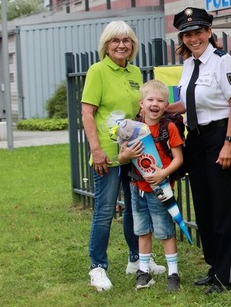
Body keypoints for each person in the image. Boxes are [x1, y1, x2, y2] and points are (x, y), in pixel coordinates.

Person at [81, 21, 164, 292]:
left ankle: (136, 259)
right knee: (105, 211)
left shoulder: (135, 72)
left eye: (126, 40)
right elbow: (87, 113)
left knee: (134, 209)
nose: (121, 45)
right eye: (115, 40)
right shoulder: (98, 71)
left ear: (133, 45)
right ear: (106, 44)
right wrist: (96, 150)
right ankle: (98, 267)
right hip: (109, 156)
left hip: (135, 154)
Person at [167, 7, 231, 294]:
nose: (193, 38)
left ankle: (225, 275)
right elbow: (187, 104)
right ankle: (213, 267)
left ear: (209, 32)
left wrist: (229, 143)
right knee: (204, 206)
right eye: (187, 34)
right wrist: (163, 109)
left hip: (220, 135)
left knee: (223, 207)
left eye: (198, 32)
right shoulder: (189, 65)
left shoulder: (223, 61)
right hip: (195, 138)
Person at [117, 80, 184, 292]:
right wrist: (126, 155)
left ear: (166, 106)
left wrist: (163, 173)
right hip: (138, 190)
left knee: (165, 232)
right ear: (141, 103)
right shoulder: (131, 129)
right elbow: (121, 158)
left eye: (160, 100)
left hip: (161, 190)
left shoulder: (169, 127)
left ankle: (173, 274)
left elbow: (178, 158)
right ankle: (143, 272)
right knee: (142, 231)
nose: (155, 104)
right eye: (150, 100)